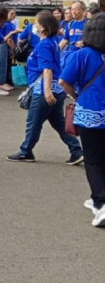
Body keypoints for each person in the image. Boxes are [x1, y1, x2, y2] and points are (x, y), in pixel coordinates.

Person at [7, 11, 83, 164]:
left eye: (36, 23)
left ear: (42, 28)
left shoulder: (44, 45)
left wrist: (47, 90)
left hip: (43, 89)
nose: (34, 26)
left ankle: (26, 150)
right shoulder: (52, 42)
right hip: (54, 88)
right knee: (58, 123)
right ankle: (76, 150)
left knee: (33, 122)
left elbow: (46, 69)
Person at [59, 13, 105, 227]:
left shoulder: (82, 54)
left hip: (91, 113)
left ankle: (101, 203)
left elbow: (64, 81)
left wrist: (77, 96)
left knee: (94, 159)